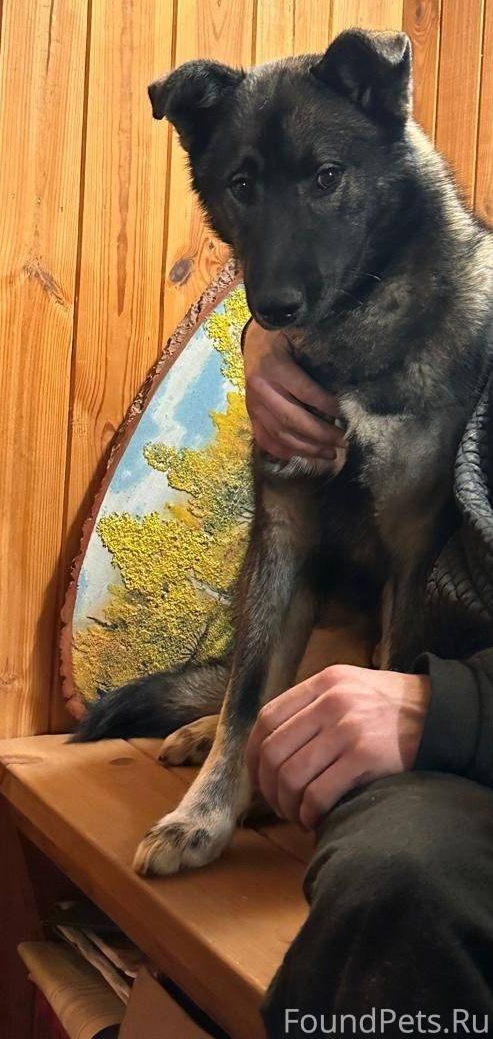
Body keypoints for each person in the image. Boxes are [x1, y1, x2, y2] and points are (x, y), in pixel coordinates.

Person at [241, 318, 493, 1038]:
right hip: (423, 701)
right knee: (394, 876)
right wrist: (273, 344)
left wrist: (446, 709)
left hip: (449, 710)